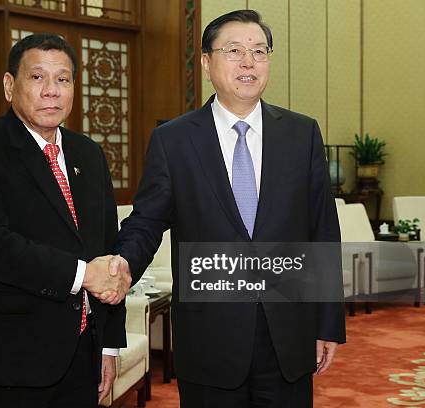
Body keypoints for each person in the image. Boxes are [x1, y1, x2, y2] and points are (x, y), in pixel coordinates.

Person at [109, 10, 345, 407]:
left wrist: (328, 323)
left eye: (259, 51)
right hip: (209, 337)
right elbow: (147, 221)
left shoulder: (301, 133)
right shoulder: (174, 140)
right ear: (206, 62)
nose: (249, 62)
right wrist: (121, 265)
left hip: (288, 333)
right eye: (234, 50)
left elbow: (322, 230)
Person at [0, 33, 131, 408]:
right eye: (37, 77)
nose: (51, 91)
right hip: (10, 362)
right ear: (10, 85)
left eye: (62, 79)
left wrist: (108, 345)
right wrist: (82, 275)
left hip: (82, 354)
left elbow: (108, 249)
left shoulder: (89, 154)